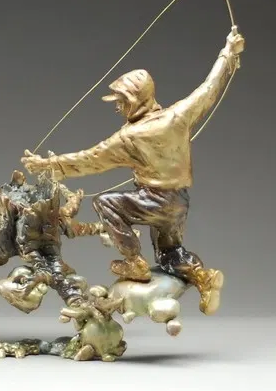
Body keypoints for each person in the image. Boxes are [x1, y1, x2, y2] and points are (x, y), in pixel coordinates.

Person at [21, 26, 245, 315]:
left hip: (153, 200)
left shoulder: (130, 137)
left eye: (121, 101)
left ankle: (134, 261)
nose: (118, 108)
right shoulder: (178, 115)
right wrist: (228, 52)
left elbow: (90, 159)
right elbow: (209, 87)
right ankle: (203, 277)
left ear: (135, 99)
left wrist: (47, 165)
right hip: (179, 202)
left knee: (105, 203)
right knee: (169, 254)